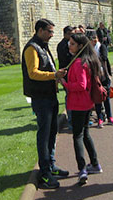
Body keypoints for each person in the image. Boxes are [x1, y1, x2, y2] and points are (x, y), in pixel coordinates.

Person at [22, 18, 69, 189]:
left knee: (51, 132)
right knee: (44, 134)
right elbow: (33, 73)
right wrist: (54, 75)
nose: (51, 35)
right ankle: (44, 173)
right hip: (40, 97)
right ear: (40, 30)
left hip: (49, 95)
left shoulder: (42, 45)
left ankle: (50, 165)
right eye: (49, 31)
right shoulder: (32, 48)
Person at [60, 32, 104, 184]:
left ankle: (82, 169)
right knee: (85, 134)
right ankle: (95, 163)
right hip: (87, 103)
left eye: (72, 44)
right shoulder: (88, 60)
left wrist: (64, 84)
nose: (69, 45)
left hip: (79, 103)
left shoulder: (79, 63)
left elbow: (81, 85)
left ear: (79, 46)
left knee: (78, 136)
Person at [88, 29, 113, 126]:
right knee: (97, 98)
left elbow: (104, 58)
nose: (94, 40)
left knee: (106, 97)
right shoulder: (88, 50)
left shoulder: (102, 47)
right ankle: (100, 117)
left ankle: (110, 117)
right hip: (95, 76)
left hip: (104, 75)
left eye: (95, 38)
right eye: (92, 39)